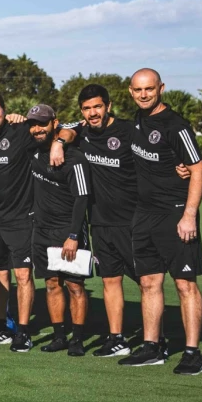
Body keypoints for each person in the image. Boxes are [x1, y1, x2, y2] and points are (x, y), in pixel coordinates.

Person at [122, 68, 202, 374]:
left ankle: (192, 353)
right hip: (144, 214)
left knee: (185, 285)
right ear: (130, 92)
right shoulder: (134, 121)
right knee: (148, 283)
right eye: (138, 90)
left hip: (175, 213)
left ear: (161, 88)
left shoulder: (176, 125)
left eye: (149, 89)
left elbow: (198, 169)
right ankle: (151, 347)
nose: (143, 94)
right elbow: (81, 125)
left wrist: (188, 216)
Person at [0, 91, 75, 351]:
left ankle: (23, 332)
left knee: (23, 276)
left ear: (4, 110)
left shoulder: (20, 131)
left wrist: (59, 143)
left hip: (21, 219)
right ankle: (0, 328)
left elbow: (69, 128)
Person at [76, 83, 141, 358]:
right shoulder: (80, 133)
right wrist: (58, 140)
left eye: (98, 107)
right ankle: (117, 338)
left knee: (146, 282)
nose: (93, 113)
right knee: (110, 282)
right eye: (88, 108)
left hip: (132, 222)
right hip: (100, 224)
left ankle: (155, 338)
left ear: (109, 106)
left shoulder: (128, 132)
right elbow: (60, 130)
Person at [23, 104, 92, 356]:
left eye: (42, 123)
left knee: (75, 286)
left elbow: (82, 199)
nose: (37, 129)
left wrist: (73, 236)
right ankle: (60, 336)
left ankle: (78, 339)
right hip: (42, 231)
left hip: (68, 231)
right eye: (33, 124)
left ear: (55, 123)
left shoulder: (74, 159)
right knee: (52, 283)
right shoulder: (33, 150)